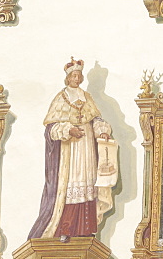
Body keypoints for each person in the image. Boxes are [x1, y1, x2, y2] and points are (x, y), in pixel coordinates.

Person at [28, 57, 118, 240]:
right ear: (68, 78)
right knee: (70, 188)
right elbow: (51, 129)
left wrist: (102, 132)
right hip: (70, 152)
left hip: (87, 150)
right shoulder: (61, 98)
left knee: (88, 185)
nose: (76, 78)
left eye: (79, 75)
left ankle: (85, 229)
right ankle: (66, 229)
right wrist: (68, 130)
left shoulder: (87, 97)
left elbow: (95, 120)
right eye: (73, 76)